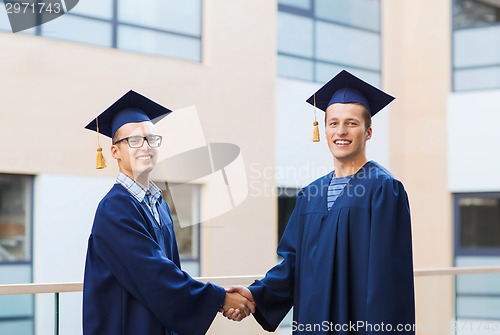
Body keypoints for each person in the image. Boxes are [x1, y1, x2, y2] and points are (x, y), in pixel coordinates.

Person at [226, 70, 415, 334]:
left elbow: (388, 280)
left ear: (368, 132)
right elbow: (293, 263)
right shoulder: (310, 194)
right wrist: (255, 294)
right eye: (333, 123)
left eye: (351, 123)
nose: (341, 131)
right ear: (323, 129)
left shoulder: (383, 189)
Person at [82, 90, 255, 335]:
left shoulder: (158, 203)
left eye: (151, 139)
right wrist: (219, 299)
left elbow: (170, 270)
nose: (145, 147)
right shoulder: (115, 208)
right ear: (114, 152)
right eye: (133, 141)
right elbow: (153, 274)